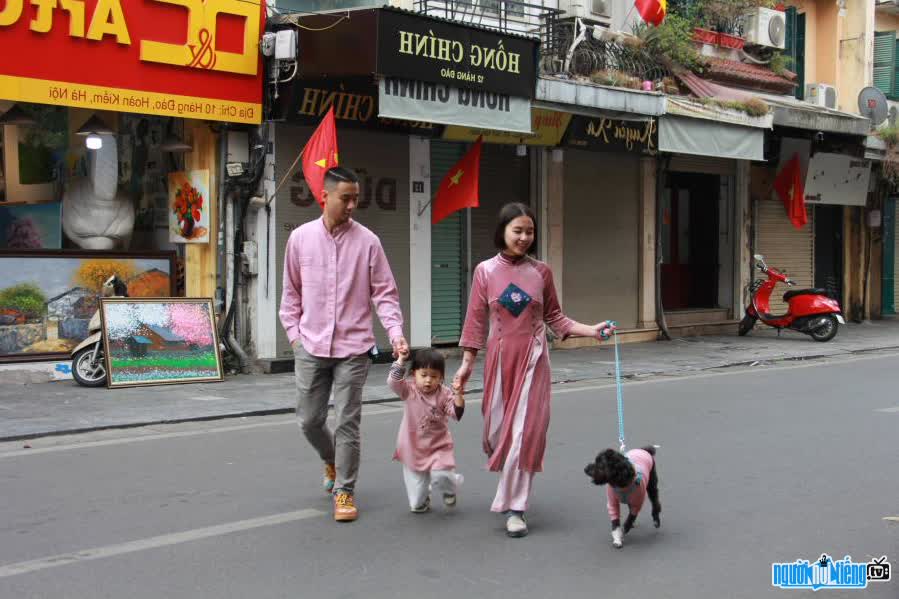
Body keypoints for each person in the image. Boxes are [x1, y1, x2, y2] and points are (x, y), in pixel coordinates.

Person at [452, 202, 615, 538]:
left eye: (529, 231)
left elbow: (556, 317)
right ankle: (511, 483)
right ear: (503, 232)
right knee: (497, 435)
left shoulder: (541, 272)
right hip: (499, 361)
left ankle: (516, 508)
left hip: (533, 361)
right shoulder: (485, 271)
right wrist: (467, 365)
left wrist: (592, 330)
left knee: (525, 434)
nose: (524, 237)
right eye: (518, 230)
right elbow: (474, 322)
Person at [279, 166, 409, 523]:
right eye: (346, 198)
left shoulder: (368, 242)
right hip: (310, 345)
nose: (352, 205)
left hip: (354, 348)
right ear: (325, 196)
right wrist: (295, 338)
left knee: (348, 420)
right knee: (309, 420)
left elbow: (385, 293)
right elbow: (291, 295)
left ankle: (345, 491)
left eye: (356, 199)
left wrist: (395, 332)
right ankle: (331, 460)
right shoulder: (300, 239)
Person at [388, 348, 465, 513]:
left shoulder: (444, 394)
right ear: (414, 374)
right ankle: (423, 497)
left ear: (441, 378)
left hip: (438, 446)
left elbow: (456, 414)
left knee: (441, 475)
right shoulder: (409, 390)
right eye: (423, 375)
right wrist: (401, 360)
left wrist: (458, 394)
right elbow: (393, 382)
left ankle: (449, 489)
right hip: (412, 447)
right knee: (416, 505)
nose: (428, 381)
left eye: (434, 376)